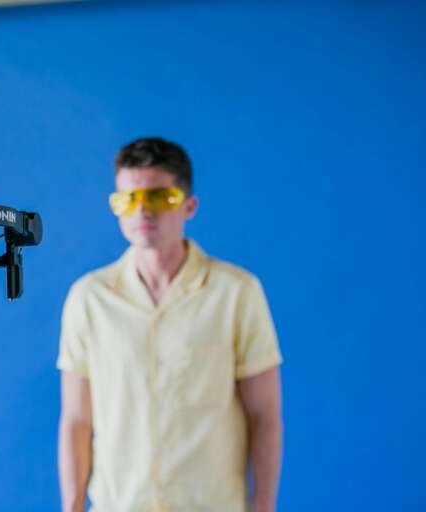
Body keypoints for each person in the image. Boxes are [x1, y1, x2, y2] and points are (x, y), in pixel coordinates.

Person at [57, 137, 283, 512]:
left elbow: (265, 415)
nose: (143, 211)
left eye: (160, 197)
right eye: (128, 199)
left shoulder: (237, 293)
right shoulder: (89, 298)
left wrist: (263, 506)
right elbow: (77, 420)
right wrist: (72, 507)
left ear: (189, 206)